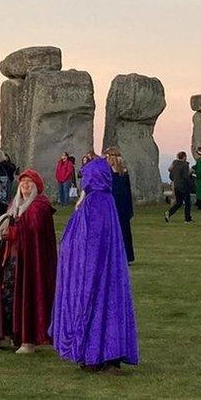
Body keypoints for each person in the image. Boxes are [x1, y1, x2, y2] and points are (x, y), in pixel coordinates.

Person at [50, 158, 139, 372]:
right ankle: (110, 356)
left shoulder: (92, 204)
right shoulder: (108, 202)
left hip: (91, 272)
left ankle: (94, 355)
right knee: (111, 307)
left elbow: (79, 240)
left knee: (93, 306)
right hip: (110, 271)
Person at [0, 169, 57, 353]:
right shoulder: (15, 205)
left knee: (28, 297)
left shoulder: (39, 206)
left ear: (36, 186)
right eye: (22, 182)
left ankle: (28, 341)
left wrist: (13, 232)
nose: (24, 186)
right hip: (13, 260)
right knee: (8, 297)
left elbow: (33, 231)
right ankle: (11, 335)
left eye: (29, 183)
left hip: (31, 264)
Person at [105, 147, 135, 263]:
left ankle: (122, 256)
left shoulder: (111, 172)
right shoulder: (123, 172)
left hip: (115, 203)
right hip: (120, 203)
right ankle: (125, 256)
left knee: (119, 230)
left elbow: (126, 190)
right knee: (122, 230)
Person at [165, 152, 193, 223]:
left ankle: (169, 212)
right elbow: (185, 176)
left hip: (176, 186)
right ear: (184, 157)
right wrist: (190, 174)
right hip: (184, 186)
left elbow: (170, 172)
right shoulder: (185, 165)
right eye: (185, 156)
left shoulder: (175, 163)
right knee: (187, 203)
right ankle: (187, 219)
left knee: (179, 203)